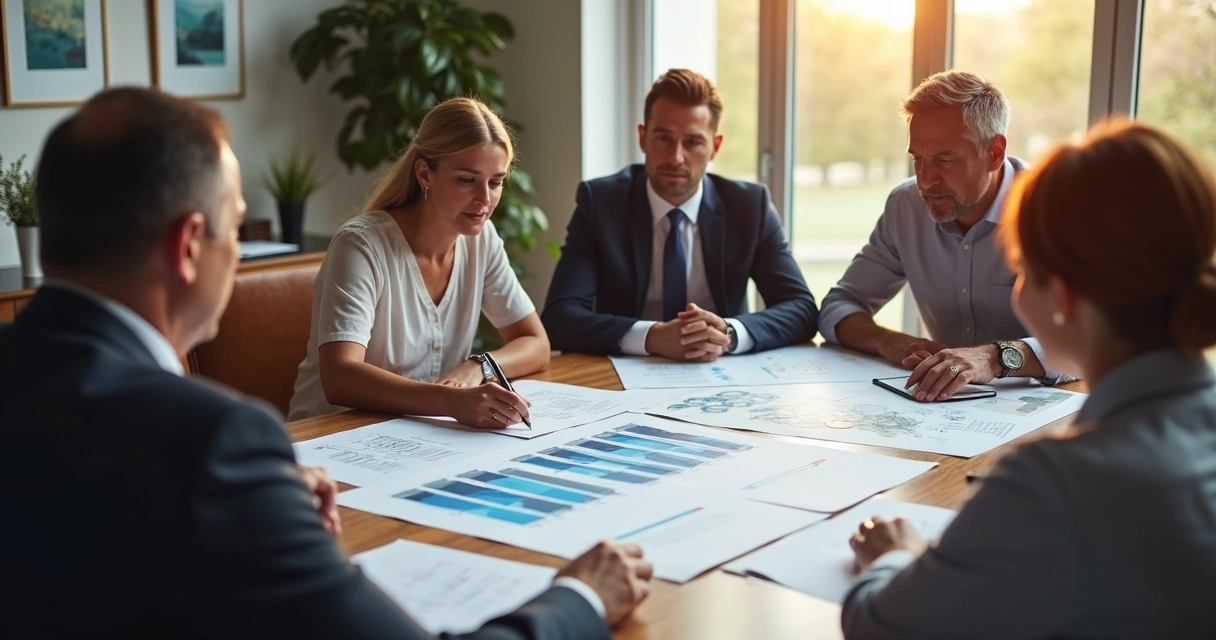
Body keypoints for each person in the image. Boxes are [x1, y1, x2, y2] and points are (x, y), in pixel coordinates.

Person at [0, 87, 652, 639]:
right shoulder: (217, 447)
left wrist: (265, 504)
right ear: (190, 247)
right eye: (237, 227)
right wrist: (580, 599)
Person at [841, 120, 1216, 639]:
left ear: (1059, 296)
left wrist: (895, 556)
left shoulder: (1052, 483)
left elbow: (879, 623)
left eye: (1019, 268)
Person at [288, 98, 549, 426]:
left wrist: (479, 365)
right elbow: (340, 376)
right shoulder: (360, 245)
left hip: (419, 434)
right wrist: (451, 401)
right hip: (331, 435)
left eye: (495, 182)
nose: (484, 199)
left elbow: (536, 343)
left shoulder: (481, 239)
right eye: (466, 180)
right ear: (425, 174)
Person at [819, 70, 1068, 402]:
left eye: (944, 160)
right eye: (917, 160)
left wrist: (994, 357)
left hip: (1048, 410)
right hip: (947, 412)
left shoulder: (1058, 208)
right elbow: (838, 307)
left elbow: (1102, 335)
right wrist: (889, 341)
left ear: (995, 153)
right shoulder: (905, 207)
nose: (925, 181)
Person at [542, 68, 818, 361]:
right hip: (626, 374)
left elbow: (801, 309)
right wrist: (651, 336)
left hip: (723, 373)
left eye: (693, 142)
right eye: (663, 138)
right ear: (643, 137)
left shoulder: (750, 207)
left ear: (715, 147)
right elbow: (560, 318)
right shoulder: (601, 203)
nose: (676, 157)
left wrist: (728, 332)